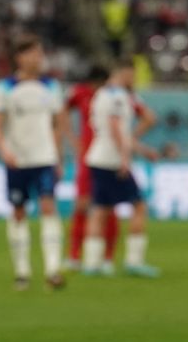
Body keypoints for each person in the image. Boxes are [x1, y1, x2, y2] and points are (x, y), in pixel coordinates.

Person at [0, 33, 67, 290]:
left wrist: (58, 156)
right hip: (17, 159)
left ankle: (53, 269)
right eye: (33, 53)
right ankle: (22, 271)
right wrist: (3, 150)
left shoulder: (51, 87)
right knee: (19, 212)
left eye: (40, 53)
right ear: (19, 57)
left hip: (44, 157)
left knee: (48, 207)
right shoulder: (4, 88)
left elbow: (58, 124)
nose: (38, 58)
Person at [66, 65, 157, 272]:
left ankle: (92, 262)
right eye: (132, 74)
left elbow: (110, 130)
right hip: (112, 160)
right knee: (139, 206)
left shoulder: (100, 94)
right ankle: (134, 261)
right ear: (124, 74)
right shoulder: (118, 96)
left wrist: (140, 149)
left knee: (99, 208)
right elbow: (116, 128)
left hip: (96, 157)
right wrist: (125, 157)